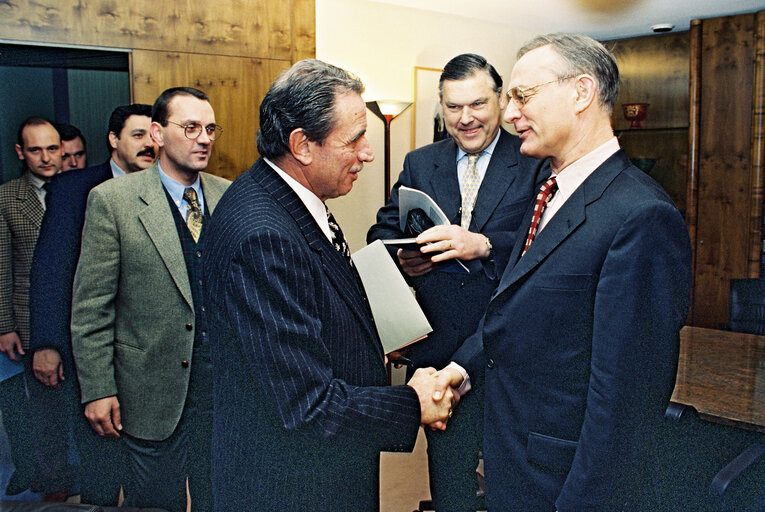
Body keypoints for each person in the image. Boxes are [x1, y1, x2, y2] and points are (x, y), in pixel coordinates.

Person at [434, 33, 693, 511]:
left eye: (522, 97)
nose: (510, 115)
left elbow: (625, 402)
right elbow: (513, 312)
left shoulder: (640, 216)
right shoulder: (549, 193)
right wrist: (462, 368)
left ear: (581, 92)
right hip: (516, 466)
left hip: (565, 486)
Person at [203, 59, 457, 512]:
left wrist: (373, 341)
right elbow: (307, 406)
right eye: (354, 139)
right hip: (293, 487)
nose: (368, 153)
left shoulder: (285, 197)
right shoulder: (264, 235)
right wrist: (413, 404)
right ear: (301, 144)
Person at [367, 53, 546, 511]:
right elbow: (384, 227)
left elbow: (546, 242)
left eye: (477, 105)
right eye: (452, 107)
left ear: (501, 101)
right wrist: (405, 256)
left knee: (515, 475)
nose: (465, 119)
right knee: (449, 477)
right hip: (438, 347)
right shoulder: (421, 162)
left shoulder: (533, 159)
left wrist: (484, 243)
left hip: (511, 347)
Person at [70, 88, 229, 512]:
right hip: (149, 393)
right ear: (157, 133)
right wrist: (98, 389)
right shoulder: (113, 201)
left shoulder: (228, 196)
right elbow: (91, 308)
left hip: (221, 394)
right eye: (191, 127)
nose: (204, 139)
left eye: (210, 128)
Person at [28, 103, 157, 505]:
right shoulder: (75, 188)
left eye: (151, 136)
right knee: (99, 454)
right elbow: (51, 269)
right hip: (89, 347)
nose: (147, 145)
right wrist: (46, 343)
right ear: (113, 140)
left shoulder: (166, 188)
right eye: (136, 136)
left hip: (147, 350)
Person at [0, 117, 62, 497]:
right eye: (36, 150)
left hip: (74, 316)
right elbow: (2, 267)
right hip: (27, 320)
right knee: (41, 407)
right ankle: (48, 478)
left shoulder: (83, 187)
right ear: (21, 153)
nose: (46, 158)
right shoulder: (7, 198)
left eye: (52, 148)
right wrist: (4, 325)